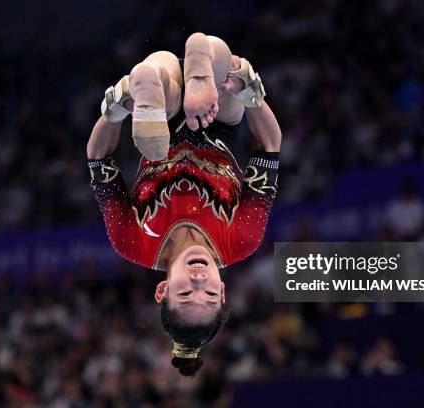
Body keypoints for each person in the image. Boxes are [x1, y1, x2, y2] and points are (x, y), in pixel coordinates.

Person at [86, 33, 281, 376]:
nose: (198, 279)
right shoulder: (242, 240)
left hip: (160, 123)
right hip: (217, 125)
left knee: (154, 70)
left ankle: (151, 88)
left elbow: (99, 161)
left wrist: (113, 112)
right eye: (208, 293)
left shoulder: (132, 244)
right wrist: (251, 94)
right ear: (222, 291)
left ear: (162, 291)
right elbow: (269, 148)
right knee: (220, 55)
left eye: (186, 294)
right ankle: (202, 71)